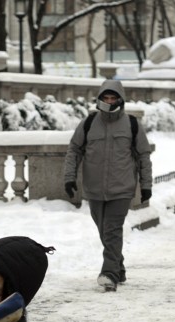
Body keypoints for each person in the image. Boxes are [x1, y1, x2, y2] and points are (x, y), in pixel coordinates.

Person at [64, 79, 153, 292]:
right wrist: (69, 178)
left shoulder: (131, 124)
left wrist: (146, 184)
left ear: (120, 99)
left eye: (114, 98)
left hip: (122, 189)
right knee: (104, 231)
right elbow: (74, 150)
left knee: (112, 231)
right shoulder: (89, 123)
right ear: (100, 99)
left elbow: (143, 155)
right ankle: (119, 267)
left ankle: (109, 274)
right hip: (94, 189)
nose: (110, 101)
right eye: (106, 98)